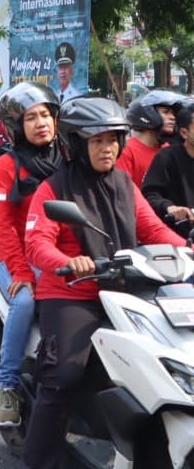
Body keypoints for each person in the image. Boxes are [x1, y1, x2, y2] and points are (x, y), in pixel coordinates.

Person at [21, 97, 185, 468]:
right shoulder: (54, 188)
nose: (107, 147)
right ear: (77, 143)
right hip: (71, 294)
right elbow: (37, 243)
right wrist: (69, 262)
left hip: (125, 288)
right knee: (63, 375)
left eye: (112, 139)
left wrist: (187, 248)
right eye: (97, 141)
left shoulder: (124, 183)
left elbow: (152, 228)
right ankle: (38, 461)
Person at [0, 82, 63, 427]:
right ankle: (8, 384)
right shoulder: (6, 167)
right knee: (26, 301)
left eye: (45, 114)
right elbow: (4, 229)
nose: (40, 123)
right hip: (14, 257)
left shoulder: (69, 158)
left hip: (57, 254)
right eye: (31, 117)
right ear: (17, 126)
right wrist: (21, 273)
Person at [117, 89, 186, 186]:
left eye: (173, 113)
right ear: (147, 114)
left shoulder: (167, 149)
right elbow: (123, 190)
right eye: (166, 112)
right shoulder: (127, 151)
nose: (172, 117)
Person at [142, 103, 194, 230]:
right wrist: (170, 207)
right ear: (184, 133)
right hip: (181, 235)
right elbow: (151, 194)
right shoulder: (167, 157)